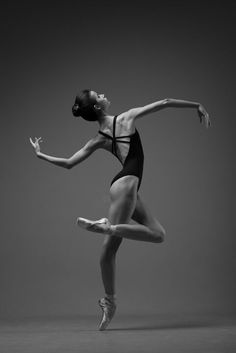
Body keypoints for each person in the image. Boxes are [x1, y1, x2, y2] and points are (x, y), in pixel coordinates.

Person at [29, 89, 211, 330]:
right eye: (98, 95)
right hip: (126, 186)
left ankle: (110, 298)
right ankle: (109, 235)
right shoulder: (126, 118)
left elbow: (69, 163)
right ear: (97, 107)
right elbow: (164, 102)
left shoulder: (99, 138)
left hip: (125, 188)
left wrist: (41, 155)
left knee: (156, 235)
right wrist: (196, 104)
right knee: (109, 247)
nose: (103, 94)